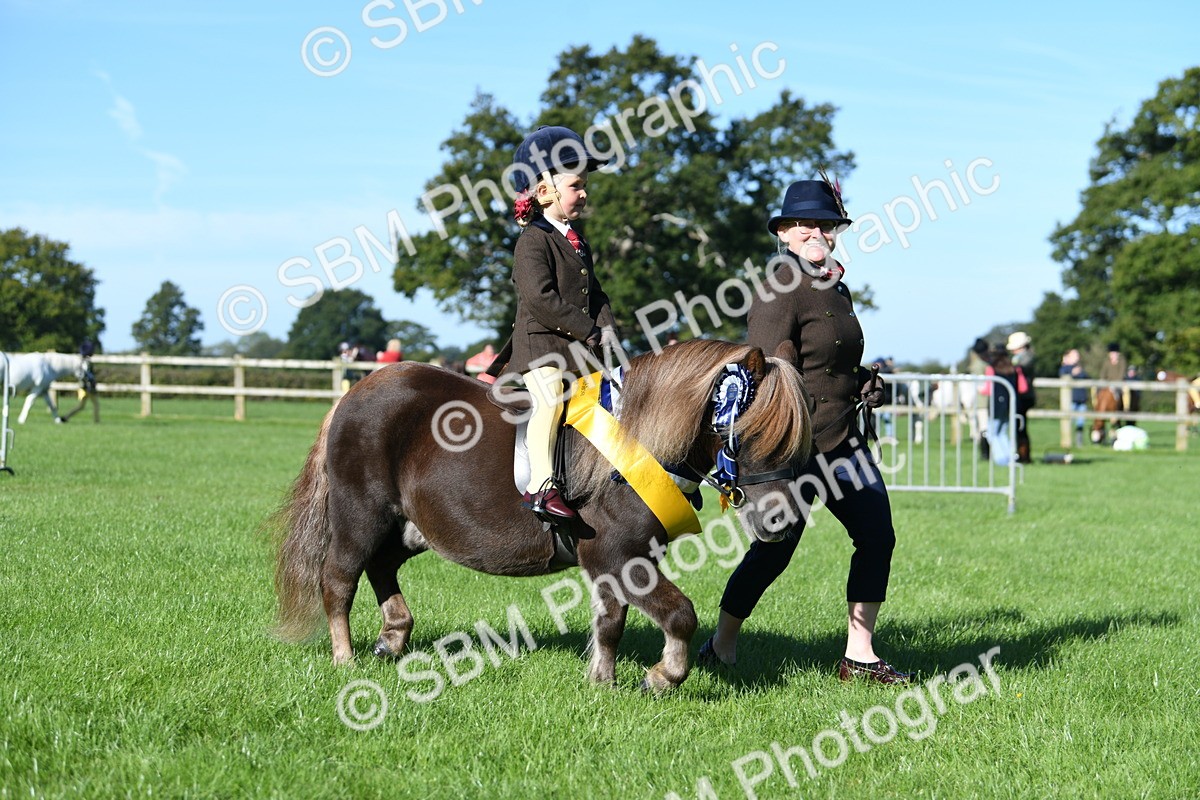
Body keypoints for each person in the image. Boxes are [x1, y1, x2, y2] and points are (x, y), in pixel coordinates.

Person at [699, 177, 908, 684]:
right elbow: (766, 366)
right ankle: (721, 643)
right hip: (794, 443)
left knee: (877, 536)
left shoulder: (835, 286)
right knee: (776, 546)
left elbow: (831, 360)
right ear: (786, 232)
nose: (818, 232)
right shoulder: (780, 287)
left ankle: (859, 654)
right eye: (806, 224)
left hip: (844, 438)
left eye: (827, 224)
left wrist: (861, 383)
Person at [484, 125, 618, 520]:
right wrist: (588, 330)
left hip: (576, 347)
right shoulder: (533, 241)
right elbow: (541, 300)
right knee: (549, 399)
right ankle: (540, 486)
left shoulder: (577, 240)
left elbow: (595, 294)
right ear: (545, 191)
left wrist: (609, 333)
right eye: (577, 185)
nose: (584, 193)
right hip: (540, 348)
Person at [1005, 331, 1036, 463]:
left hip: (1024, 396)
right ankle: (1021, 453)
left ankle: (1024, 455)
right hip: (1020, 396)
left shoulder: (1027, 357)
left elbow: (1022, 368)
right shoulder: (1021, 357)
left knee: (1020, 426)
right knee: (1018, 426)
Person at [1093, 343, 1127, 443]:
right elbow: (1103, 374)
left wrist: (1115, 384)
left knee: (1126, 393)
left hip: (1118, 384)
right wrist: (1104, 383)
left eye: (1115, 353)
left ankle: (1126, 406)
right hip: (1107, 384)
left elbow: (1121, 374)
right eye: (1112, 353)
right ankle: (1096, 406)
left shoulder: (1122, 361)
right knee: (1096, 391)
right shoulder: (1106, 362)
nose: (1113, 355)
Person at [60, 339, 99, 423]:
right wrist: (91, 384)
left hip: (83, 386)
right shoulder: (87, 362)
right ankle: (96, 421)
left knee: (81, 406)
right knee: (96, 404)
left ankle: (66, 417)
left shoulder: (81, 361)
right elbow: (88, 375)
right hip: (88, 387)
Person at [1059, 349, 1089, 447]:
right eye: (1075, 355)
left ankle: (1079, 443)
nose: (1077, 357)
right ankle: (1067, 442)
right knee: (1068, 422)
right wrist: (1072, 373)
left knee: (1080, 423)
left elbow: (1087, 377)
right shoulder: (1065, 368)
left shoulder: (1080, 368)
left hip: (1081, 400)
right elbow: (1062, 374)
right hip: (1071, 400)